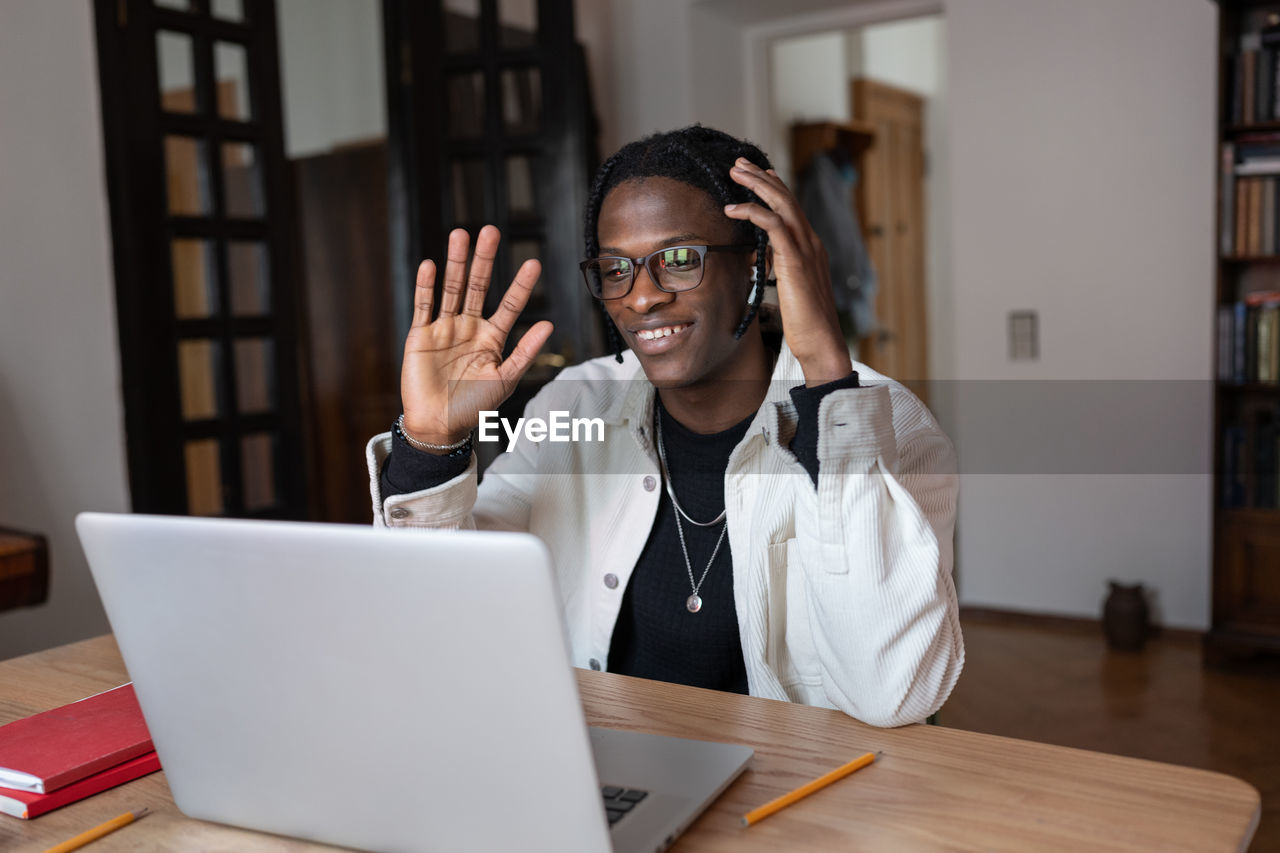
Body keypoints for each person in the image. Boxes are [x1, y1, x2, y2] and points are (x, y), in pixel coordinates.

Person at [366, 125, 962, 727]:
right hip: (609, 776)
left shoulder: (889, 422)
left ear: (760, 265)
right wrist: (430, 442)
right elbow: (445, 611)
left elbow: (892, 693)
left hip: (797, 794)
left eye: (679, 260)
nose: (641, 298)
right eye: (615, 268)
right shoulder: (576, 408)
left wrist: (827, 377)